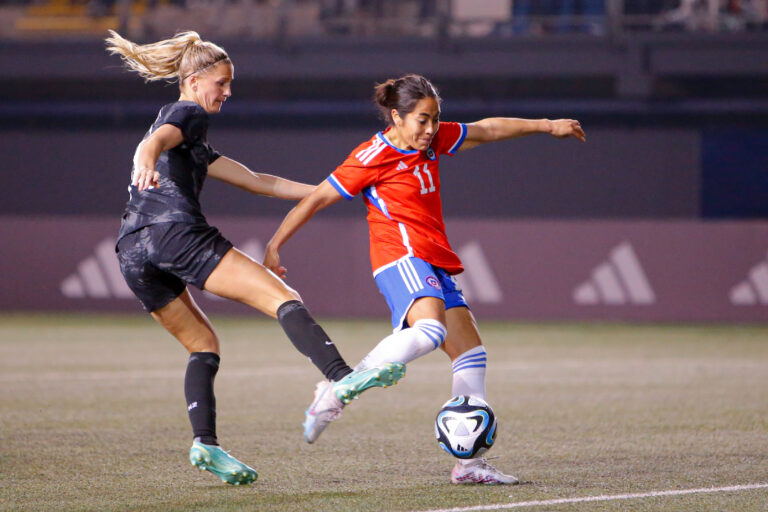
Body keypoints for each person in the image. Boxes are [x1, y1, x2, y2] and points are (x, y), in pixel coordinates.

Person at [104, 30, 405, 486]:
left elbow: (260, 181)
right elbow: (156, 141)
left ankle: (205, 443)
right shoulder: (186, 113)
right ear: (194, 78)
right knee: (282, 296)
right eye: (221, 82)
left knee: (203, 346)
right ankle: (340, 377)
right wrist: (145, 157)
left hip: (131, 250)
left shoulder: (193, 142)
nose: (228, 92)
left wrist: (334, 192)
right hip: (174, 232)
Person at [264, 74, 586, 485]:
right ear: (396, 116)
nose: (430, 129)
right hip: (399, 254)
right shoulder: (370, 155)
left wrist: (546, 125)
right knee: (430, 330)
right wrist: (275, 246)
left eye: (435, 119)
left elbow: (486, 129)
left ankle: (468, 467)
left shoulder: (431, 141)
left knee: (471, 354)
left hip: (433, 257)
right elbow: (316, 199)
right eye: (421, 120)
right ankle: (337, 389)